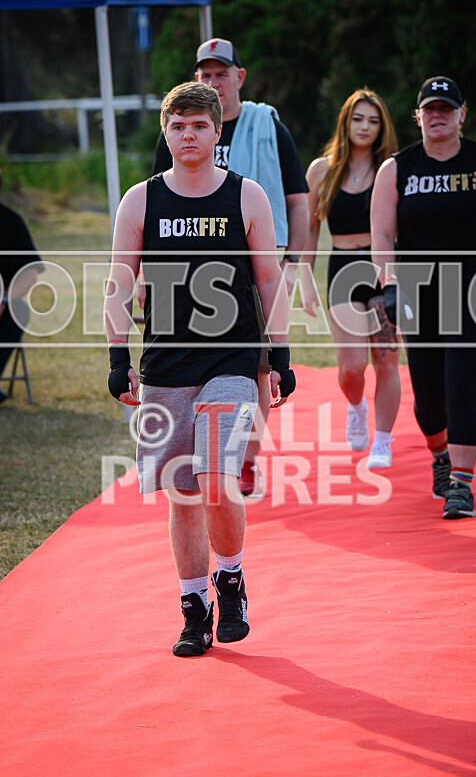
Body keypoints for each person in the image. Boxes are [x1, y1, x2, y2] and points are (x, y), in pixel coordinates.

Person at [104, 81, 295, 658]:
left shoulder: (246, 195)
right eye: (178, 126)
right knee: (182, 493)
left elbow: (268, 279)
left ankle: (230, 579)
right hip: (165, 363)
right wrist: (118, 359)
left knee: (216, 477)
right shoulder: (141, 200)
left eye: (200, 126)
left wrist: (279, 354)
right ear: (167, 133)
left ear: (217, 133)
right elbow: (120, 283)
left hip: (234, 359)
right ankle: (194, 605)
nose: (189, 135)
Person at [149, 38, 309, 497]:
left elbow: (298, 201)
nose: (213, 81)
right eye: (205, 74)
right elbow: (157, 196)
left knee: (256, 366)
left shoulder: (266, 126)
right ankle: (221, 454)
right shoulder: (178, 131)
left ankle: (245, 459)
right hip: (188, 275)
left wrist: (294, 259)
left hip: (256, 259)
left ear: (239, 77)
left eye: (222, 73)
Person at [371, 76, 476, 518]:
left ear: (461, 114)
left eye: (446, 109)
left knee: (461, 382)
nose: (438, 116)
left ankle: (461, 485)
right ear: (418, 116)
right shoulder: (398, 168)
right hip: (418, 290)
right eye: (429, 109)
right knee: (430, 396)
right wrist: (389, 283)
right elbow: (381, 233)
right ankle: (440, 457)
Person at [300, 89, 400, 468]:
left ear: (382, 128)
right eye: (358, 118)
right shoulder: (321, 170)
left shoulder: (392, 169)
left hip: (384, 270)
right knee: (352, 367)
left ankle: (384, 441)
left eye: (374, 121)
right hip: (342, 269)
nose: (365, 127)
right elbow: (309, 229)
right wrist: (305, 276)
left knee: (387, 360)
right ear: (345, 121)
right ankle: (356, 406)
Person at [0, 159, 42, 411]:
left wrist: (2, 301)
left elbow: (30, 273)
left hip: (2, 301)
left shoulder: (11, 223)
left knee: (19, 311)